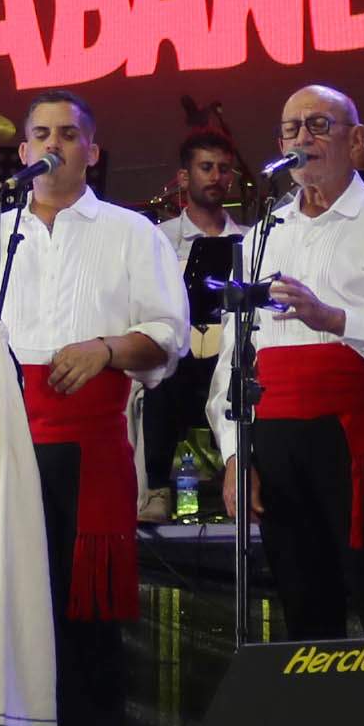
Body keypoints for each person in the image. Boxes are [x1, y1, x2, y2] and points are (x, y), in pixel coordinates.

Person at [0, 93, 185, 726]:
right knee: (5, 607)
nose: (54, 145)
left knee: (86, 613)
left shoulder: (132, 233)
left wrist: (106, 348)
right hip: (2, 445)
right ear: (22, 153)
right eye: (40, 135)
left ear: (91, 152)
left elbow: (168, 334)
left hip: (89, 446)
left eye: (68, 135)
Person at [213, 85, 364, 644]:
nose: (302, 139)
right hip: (278, 441)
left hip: (358, 437)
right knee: (304, 608)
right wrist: (237, 453)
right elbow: (234, 360)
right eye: (291, 129)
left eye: (318, 125)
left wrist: (336, 319)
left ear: (357, 139)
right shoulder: (263, 236)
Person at [143, 129, 245, 521]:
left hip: (230, 353)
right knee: (161, 374)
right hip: (181, 356)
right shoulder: (158, 239)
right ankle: (156, 487)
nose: (217, 176)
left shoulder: (248, 239)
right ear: (184, 177)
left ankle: (248, 481)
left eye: (224, 169)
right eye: (206, 167)